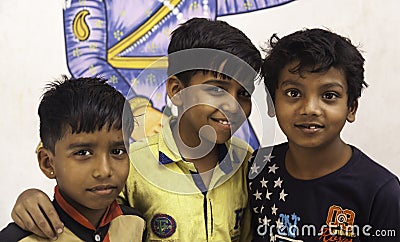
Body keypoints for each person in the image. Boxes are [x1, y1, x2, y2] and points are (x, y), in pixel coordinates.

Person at [9, 18, 263, 241]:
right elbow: (85, 213)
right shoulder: (133, 164)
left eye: (243, 94)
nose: (233, 105)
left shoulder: (244, 162)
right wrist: (29, 196)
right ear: (176, 91)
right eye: (216, 89)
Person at [249, 28, 400, 241]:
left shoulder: (381, 193)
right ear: (272, 103)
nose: (310, 108)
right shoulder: (257, 168)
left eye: (329, 95)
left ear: (351, 108)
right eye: (293, 93)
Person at [0, 76, 146, 241]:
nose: (104, 170)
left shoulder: (136, 225)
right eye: (83, 153)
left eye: (117, 151)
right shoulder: (19, 239)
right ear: (48, 163)